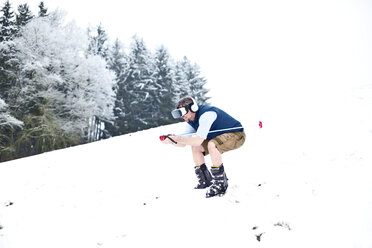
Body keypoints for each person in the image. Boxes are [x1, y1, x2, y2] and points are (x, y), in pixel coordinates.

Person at [160, 96, 246, 198]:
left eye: (183, 112)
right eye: (179, 113)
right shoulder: (190, 121)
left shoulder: (207, 114)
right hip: (217, 137)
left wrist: (178, 139)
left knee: (212, 145)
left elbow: (198, 140)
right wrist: (172, 140)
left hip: (236, 135)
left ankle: (221, 183)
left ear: (193, 108)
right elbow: (183, 143)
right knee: (196, 147)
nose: (182, 116)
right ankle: (205, 180)